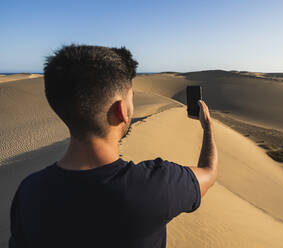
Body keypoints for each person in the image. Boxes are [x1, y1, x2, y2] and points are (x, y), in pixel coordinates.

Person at [8, 44, 218, 248]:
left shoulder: (29, 193)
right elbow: (208, 173)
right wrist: (207, 126)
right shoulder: (155, 186)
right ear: (121, 110)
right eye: (131, 98)